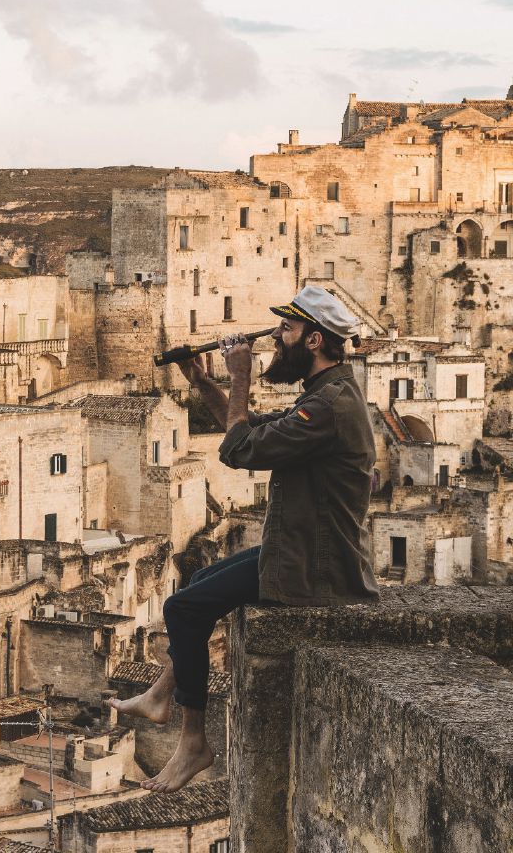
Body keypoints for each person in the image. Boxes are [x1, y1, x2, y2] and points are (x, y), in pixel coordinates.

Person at [109, 286, 379, 792]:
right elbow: (251, 430)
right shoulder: (325, 396)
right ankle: (162, 695)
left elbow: (239, 451)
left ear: (315, 340)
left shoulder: (329, 406)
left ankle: (193, 743)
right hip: (300, 550)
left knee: (185, 610)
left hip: (316, 567)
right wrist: (206, 382)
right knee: (203, 581)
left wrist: (239, 376)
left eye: (288, 330)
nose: (278, 338)